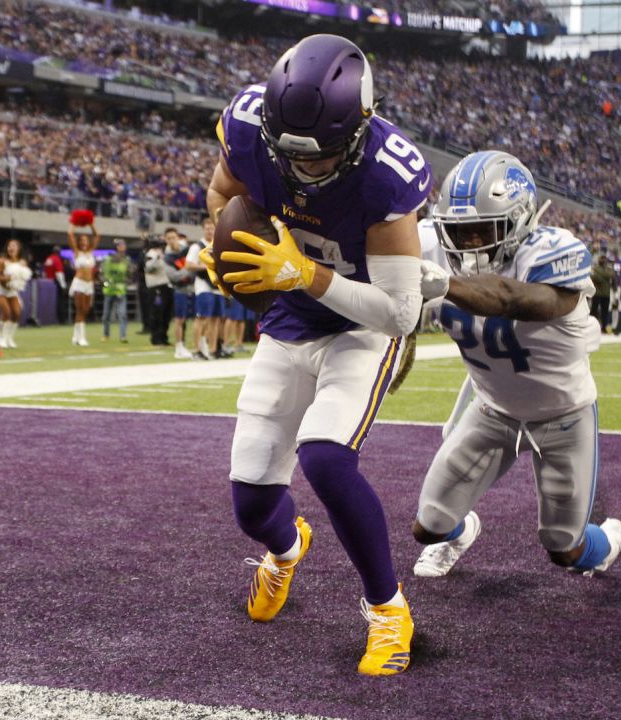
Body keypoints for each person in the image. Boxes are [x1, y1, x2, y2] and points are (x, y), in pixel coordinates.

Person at [203, 35, 427, 676]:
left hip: (361, 329)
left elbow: (401, 314)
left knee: (326, 458)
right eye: (290, 155)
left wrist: (304, 274)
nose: (305, 169)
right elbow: (222, 196)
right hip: (287, 319)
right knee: (250, 502)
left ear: (357, 130)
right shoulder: (248, 125)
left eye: (322, 155)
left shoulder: (385, 171)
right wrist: (222, 248)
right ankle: (285, 548)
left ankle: (389, 609)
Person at [408, 150, 621, 585]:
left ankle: (608, 540)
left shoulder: (554, 252)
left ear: (520, 221)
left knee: (565, 549)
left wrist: (447, 285)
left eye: (481, 231)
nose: (468, 244)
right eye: (459, 231)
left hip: (562, 418)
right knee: (427, 525)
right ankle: (461, 533)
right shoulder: (431, 240)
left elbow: (512, 300)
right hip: (491, 409)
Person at [185, 218, 226, 359]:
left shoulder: (219, 245)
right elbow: (188, 265)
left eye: (212, 228)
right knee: (202, 318)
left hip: (217, 285)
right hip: (203, 285)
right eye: (207, 228)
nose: (210, 231)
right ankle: (197, 350)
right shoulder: (197, 246)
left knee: (216, 319)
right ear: (203, 229)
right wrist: (206, 266)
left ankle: (213, 349)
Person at [0, 238, 30, 348]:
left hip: (12, 291)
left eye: (14, 246)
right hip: (0, 290)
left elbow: (24, 277)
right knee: (6, 312)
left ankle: (9, 338)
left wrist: (19, 281)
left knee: (16, 314)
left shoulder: (22, 262)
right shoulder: (2, 260)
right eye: (9, 246)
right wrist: (8, 278)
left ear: (18, 248)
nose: (11, 248)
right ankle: (1, 338)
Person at [162, 227, 194, 358]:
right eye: (168, 238)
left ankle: (199, 344)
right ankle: (179, 346)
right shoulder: (167, 257)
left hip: (193, 288)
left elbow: (196, 265)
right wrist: (189, 268)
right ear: (165, 240)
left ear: (178, 237)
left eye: (173, 237)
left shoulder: (187, 250)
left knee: (198, 318)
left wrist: (191, 269)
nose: (171, 241)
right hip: (179, 289)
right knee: (179, 319)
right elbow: (174, 276)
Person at [68, 221, 100, 346]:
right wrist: (75, 222)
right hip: (79, 283)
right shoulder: (76, 252)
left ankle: (75, 336)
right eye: (81, 240)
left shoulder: (91, 252)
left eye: (86, 240)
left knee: (85, 310)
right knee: (80, 309)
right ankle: (81, 337)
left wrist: (91, 223)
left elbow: (97, 235)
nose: (83, 242)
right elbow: (70, 233)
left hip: (89, 284)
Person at [142, 235, 172, 346]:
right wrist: (157, 258)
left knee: (166, 314)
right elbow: (148, 268)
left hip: (166, 285)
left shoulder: (164, 254)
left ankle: (164, 337)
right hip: (155, 286)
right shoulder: (150, 255)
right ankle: (156, 338)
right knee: (157, 313)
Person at [100, 238, 131, 342]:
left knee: (122, 314)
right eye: (120, 245)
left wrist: (127, 281)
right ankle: (106, 334)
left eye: (124, 245)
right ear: (116, 247)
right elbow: (105, 273)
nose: (123, 247)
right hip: (109, 290)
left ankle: (123, 336)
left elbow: (130, 273)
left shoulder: (127, 260)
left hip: (121, 290)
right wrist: (107, 282)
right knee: (106, 315)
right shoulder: (108, 259)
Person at [41, 244, 68, 325]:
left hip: (47, 283)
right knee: (60, 302)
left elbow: (44, 272)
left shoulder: (48, 259)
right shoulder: (56, 259)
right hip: (55, 283)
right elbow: (59, 273)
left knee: (50, 301)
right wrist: (63, 286)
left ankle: (50, 318)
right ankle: (61, 320)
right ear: (59, 252)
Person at [589, 254, 612, 333]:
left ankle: (604, 327)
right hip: (597, 293)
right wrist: (604, 277)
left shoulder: (607, 269)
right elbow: (595, 278)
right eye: (601, 258)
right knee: (594, 311)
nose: (603, 260)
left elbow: (611, 275)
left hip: (606, 293)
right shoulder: (595, 268)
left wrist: (600, 274)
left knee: (604, 312)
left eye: (604, 259)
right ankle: (591, 327)